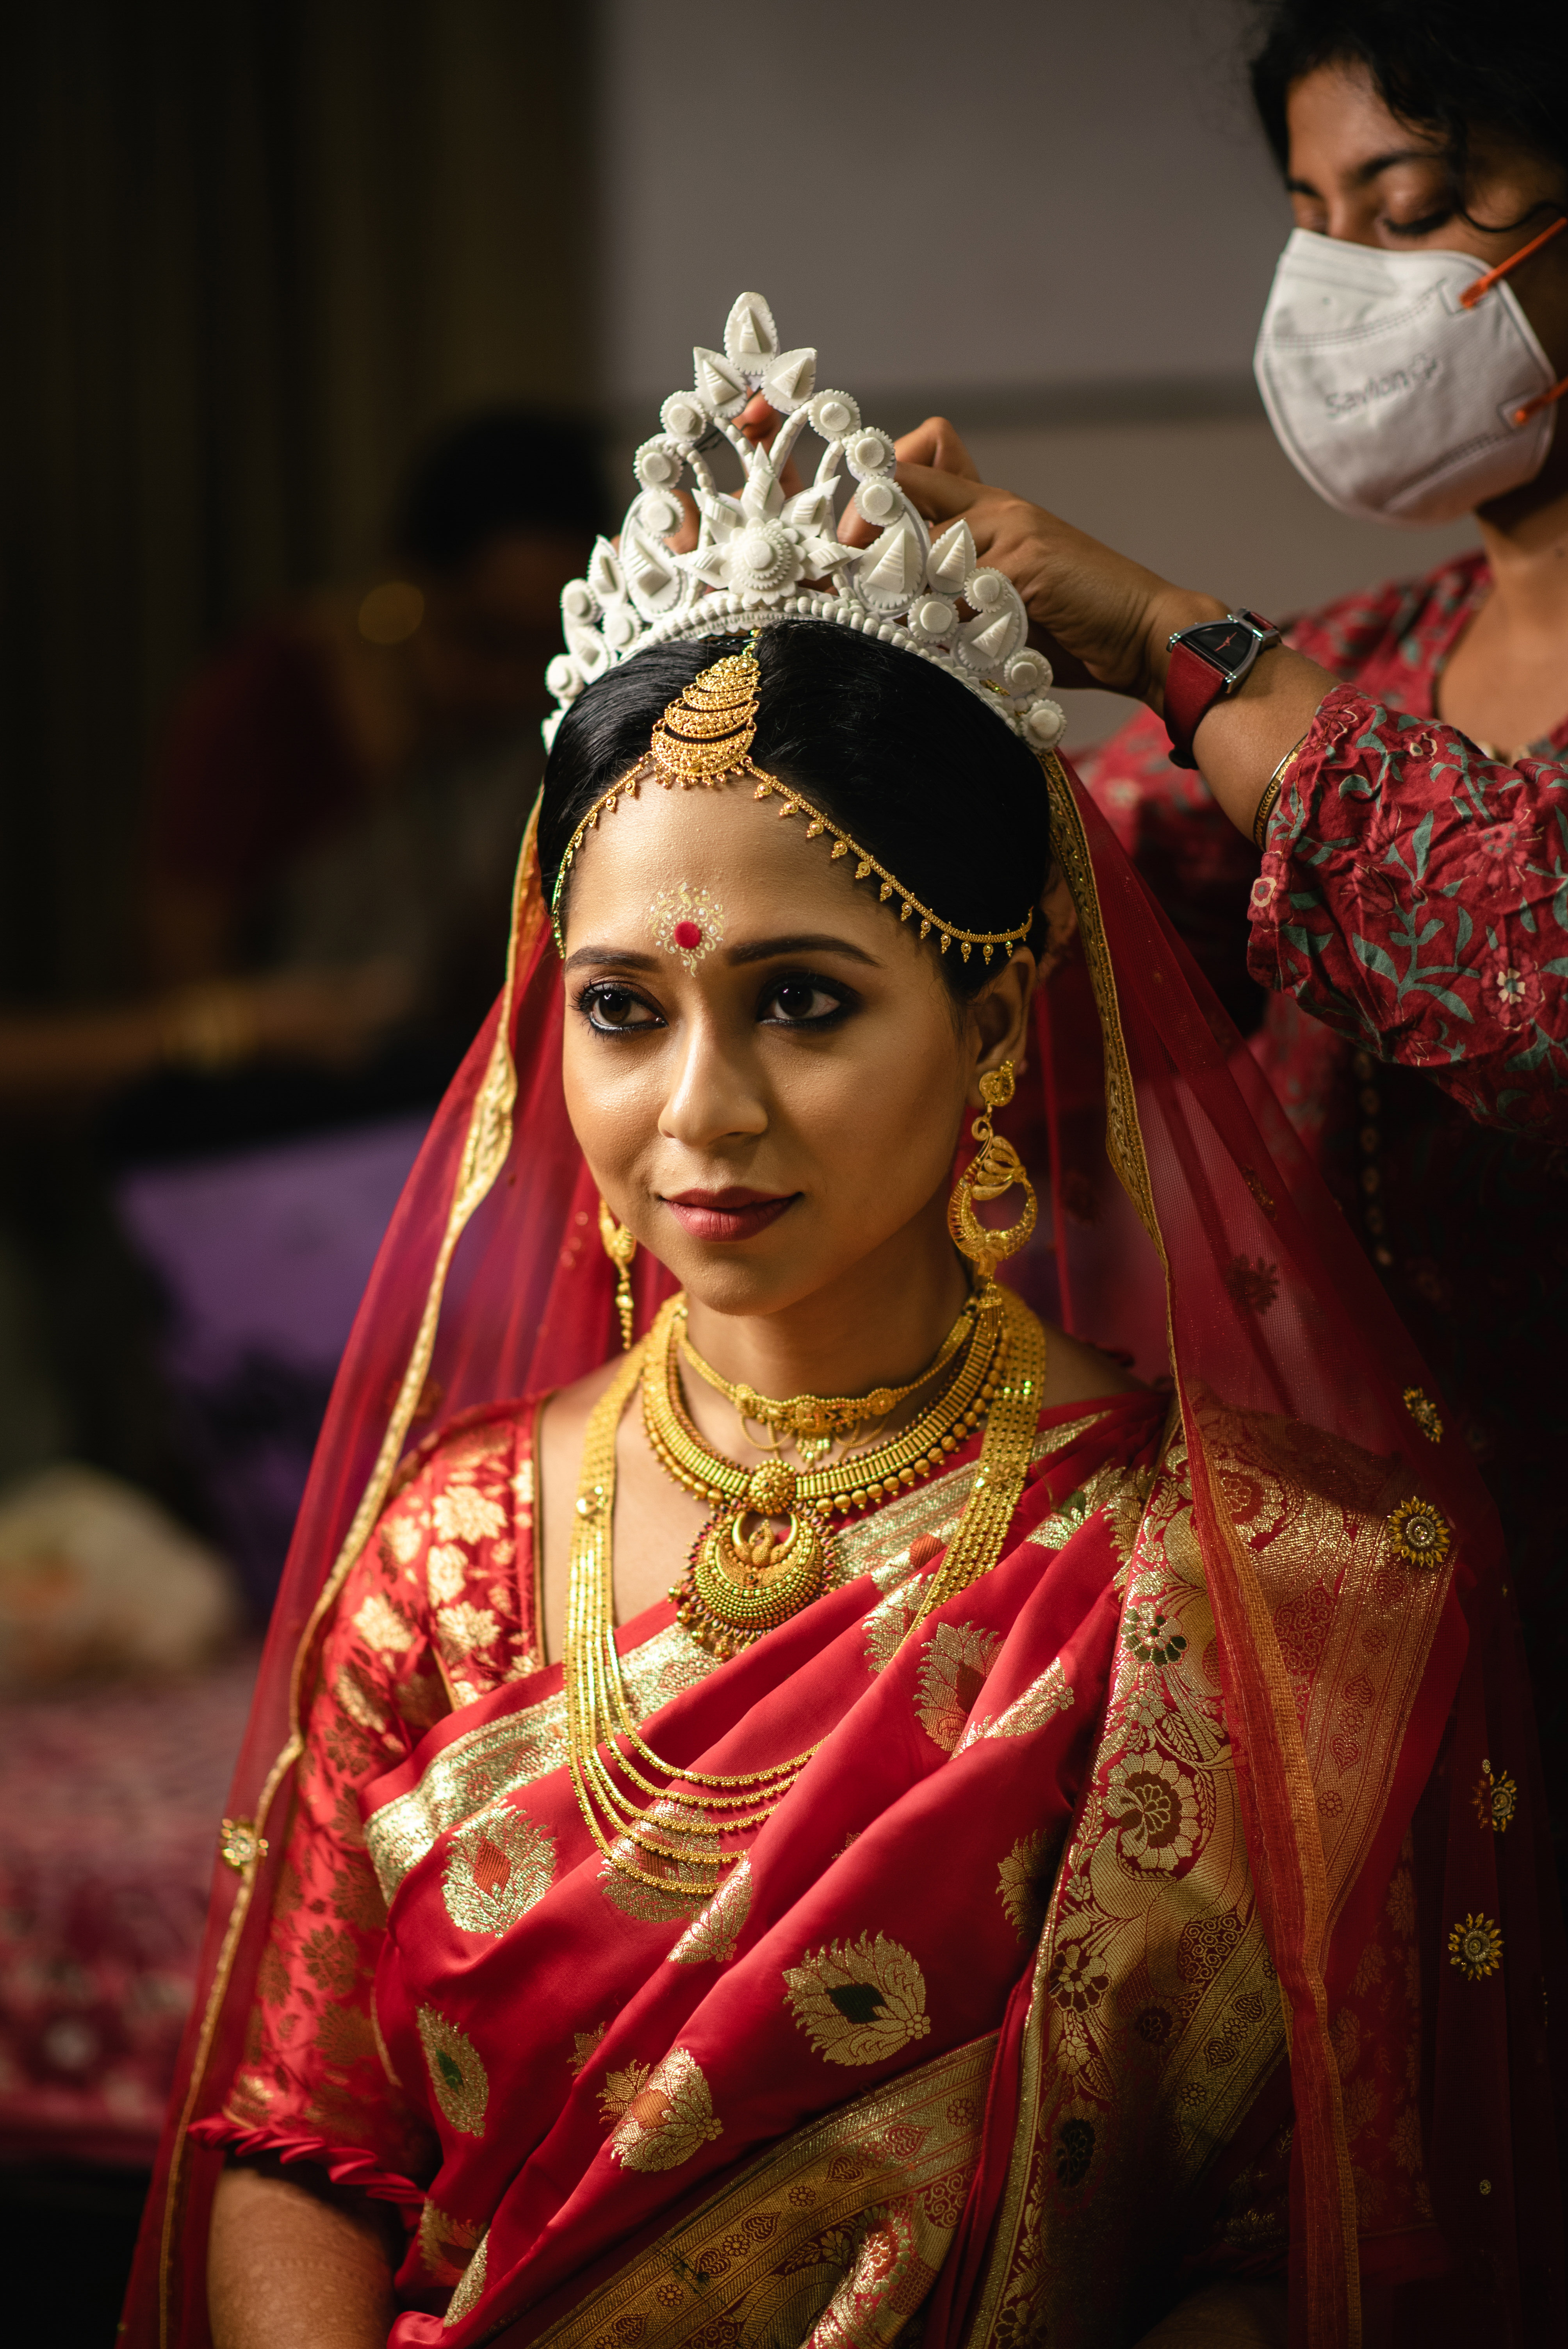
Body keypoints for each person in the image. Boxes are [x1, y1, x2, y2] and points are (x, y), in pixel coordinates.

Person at [124, 299, 1562, 2349]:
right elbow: (301, 2139)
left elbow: (1273, 2238)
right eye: (623, 1009)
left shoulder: (1241, 1580)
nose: (698, 1113)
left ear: (990, 1023)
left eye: (800, 1002)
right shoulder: (445, 1555)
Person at [864, 0, 1568, 1877]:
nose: (1340, 283)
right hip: (1383, 1652)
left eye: (1403, 207)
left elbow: (1529, 975)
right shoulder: (1373, 657)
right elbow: (1064, 959)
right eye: (1308, 218)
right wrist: (895, 674)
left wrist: (1166, 638)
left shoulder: (1271, 687)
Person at [142, 410, 604, 1127]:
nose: (514, 684)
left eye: (548, 649)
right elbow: (179, 977)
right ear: (407, 583)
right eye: (483, 640)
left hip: (436, 1101)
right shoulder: (269, 698)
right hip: (262, 1114)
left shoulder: (551, 718)